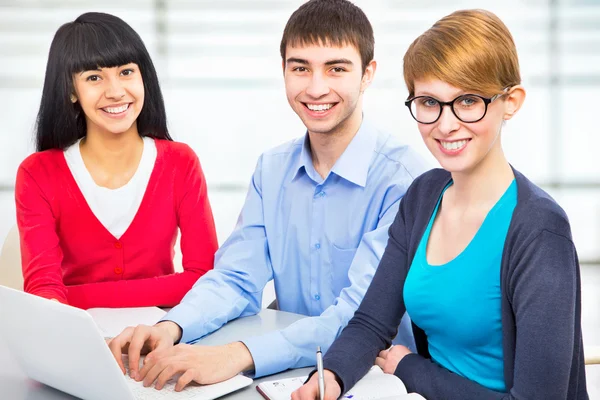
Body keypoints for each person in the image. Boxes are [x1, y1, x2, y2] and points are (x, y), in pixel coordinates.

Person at [108, 0, 429, 392]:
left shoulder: (405, 180)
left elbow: (358, 317)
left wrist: (237, 354)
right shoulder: (272, 169)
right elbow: (236, 279)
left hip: (372, 378)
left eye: (336, 68)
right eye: (300, 68)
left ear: (367, 75)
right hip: (284, 373)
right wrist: (172, 326)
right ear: (284, 72)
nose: (315, 87)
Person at [294, 9, 588, 400]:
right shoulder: (424, 195)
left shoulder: (539, 231)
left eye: (467, 101)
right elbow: (371, 321)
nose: (445, 125)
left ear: (511, 102)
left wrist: (410, 368)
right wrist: (331, 376)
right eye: (429, 102)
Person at [15, 12, 218, 309]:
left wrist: (73, 296)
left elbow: (205, 279)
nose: (115, 92)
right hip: (80, 340)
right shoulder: (38, 174)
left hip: (165, 336)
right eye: (94, 77)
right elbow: (44, 293)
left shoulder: (180, 163)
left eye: (126, 72)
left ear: (143, 77)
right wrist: (166, 289)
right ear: (71, 90)